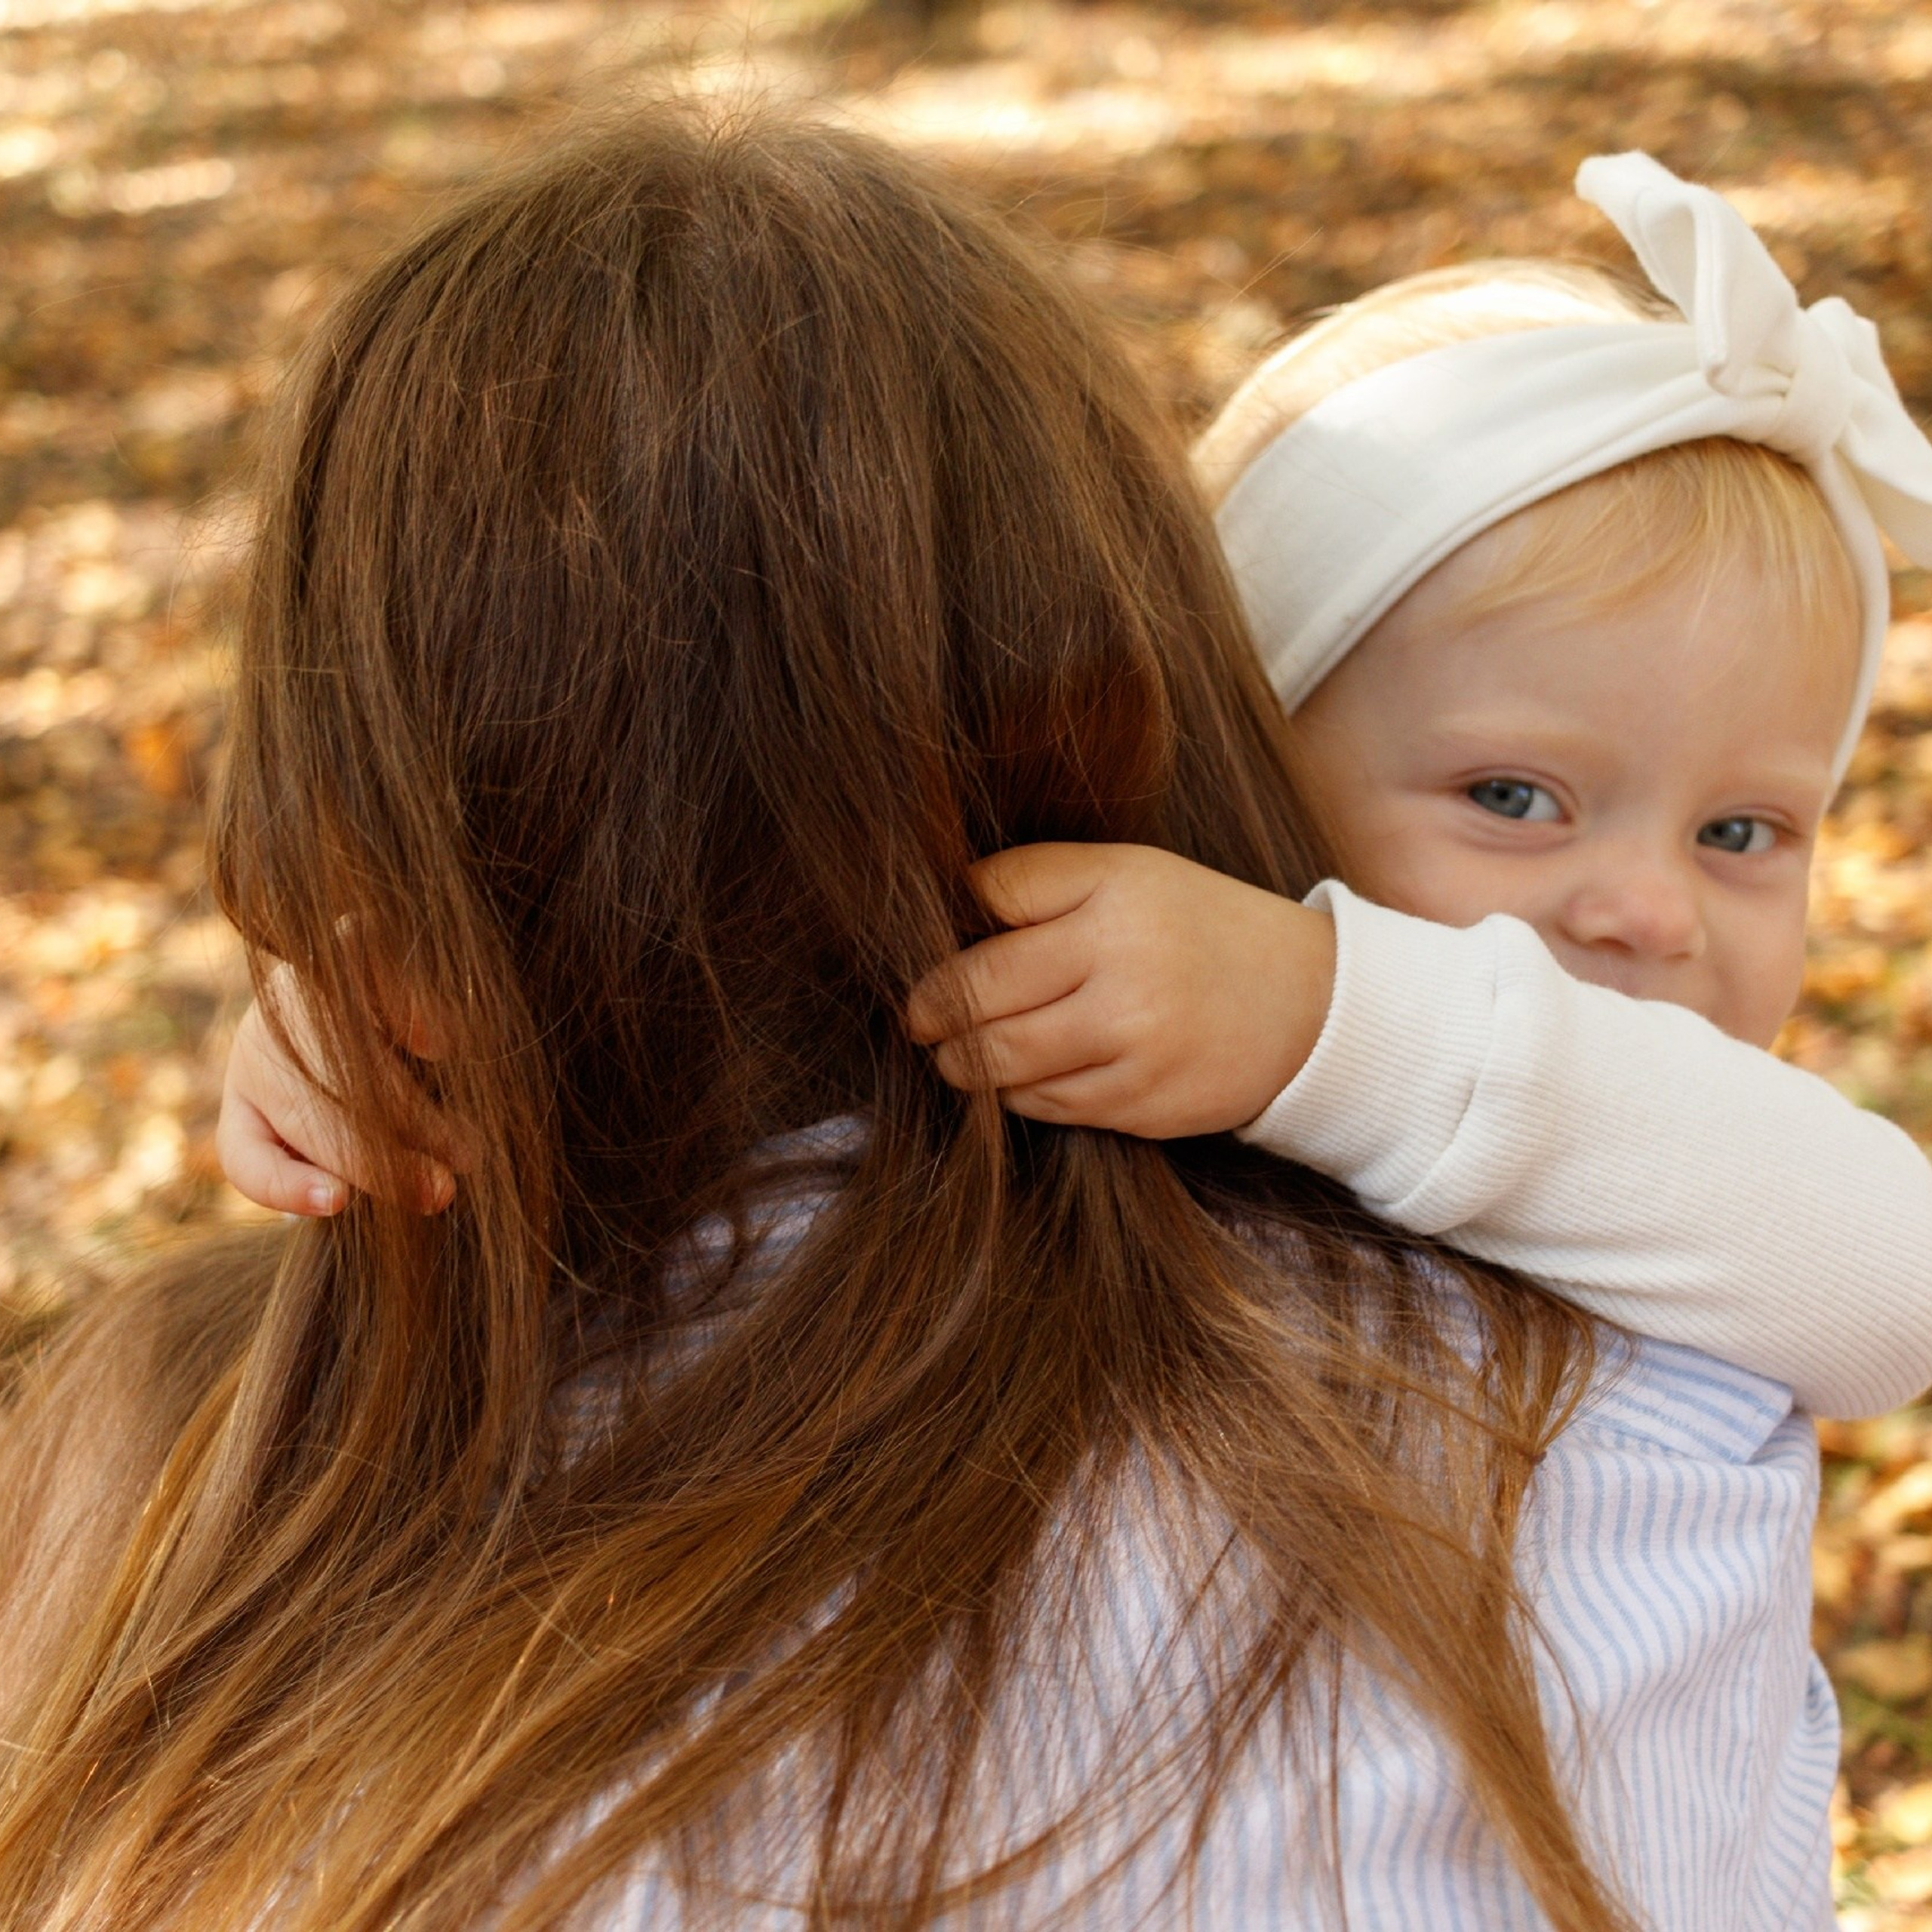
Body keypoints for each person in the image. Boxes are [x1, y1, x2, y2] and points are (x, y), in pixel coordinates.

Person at [0, 103, 1658, 1932]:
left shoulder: (159, 1471)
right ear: (1130, 670)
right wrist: (1337, 1022)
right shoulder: (1578, 1412)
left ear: (366, 784)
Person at [898, 154, 1932, 1424]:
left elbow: (1900, 1289)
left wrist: (1325, 1020)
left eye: (1739, 831)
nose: (1654, 913)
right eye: (1511, 798)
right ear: (1249, 758)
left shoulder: (1718, 1186)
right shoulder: (1117, 1115)